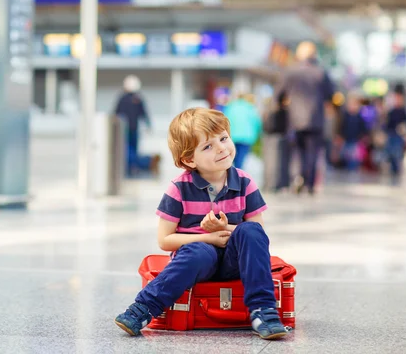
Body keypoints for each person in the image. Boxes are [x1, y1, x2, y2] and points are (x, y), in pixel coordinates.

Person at [115, 108, 287, 340]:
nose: (221, 148)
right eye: (208, 146)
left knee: (250, 230)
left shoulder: (245, 183)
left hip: (234, 262)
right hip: (196, 261)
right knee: (199, 253)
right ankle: (143, 308)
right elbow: (165, 240)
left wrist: (225, 229)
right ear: (189, 159)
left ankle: (263, 311)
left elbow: (258, 234)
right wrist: (206, 237)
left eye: (223, 138)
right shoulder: (178, 188)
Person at [274, 41, 335, 194]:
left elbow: (279, 95)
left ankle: (297, 178)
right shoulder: (321, 72)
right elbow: (331, 95)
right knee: (313, 152)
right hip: (316, 120)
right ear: (314, 55)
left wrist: (285, 104)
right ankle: (310, 184)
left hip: (295, 120)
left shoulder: (290, 72)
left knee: (296, 152)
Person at [114, 75, 160, 176]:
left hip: (127, 130)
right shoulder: (136, 98)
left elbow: (116, 114)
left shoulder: (124, 98)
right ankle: (146, 162)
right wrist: (148, 125)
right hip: (130, 129)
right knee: (131, 151)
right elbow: (144, 114)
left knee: (128, 151)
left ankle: (142, 164)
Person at [223, 93, 262, 169]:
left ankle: (233, 172)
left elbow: (225, 121)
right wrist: (257, 134)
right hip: (246, 137)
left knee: (232, 156)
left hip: (232, 136)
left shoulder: (231, 107)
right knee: (241, 157)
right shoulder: (249, 107)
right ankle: (238, 172)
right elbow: (257, 122)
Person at [337, 93, 368, 171]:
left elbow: (363, 129)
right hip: (346, 140)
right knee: (345, 157)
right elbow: (341, 127)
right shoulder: (345, 116)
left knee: (354, 159)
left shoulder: (359, 117)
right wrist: (340, 137)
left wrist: (364, 137)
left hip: (355, 141)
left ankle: (353, 170)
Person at [384, 84, 406, 176]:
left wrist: (403, 129)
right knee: (391, 154)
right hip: (392, 134)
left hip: (399, 136)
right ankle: (392, 169)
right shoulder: (391, 111)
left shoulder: (403, 111)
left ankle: (397, 170)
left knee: (398, 153)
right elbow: (387, 124)